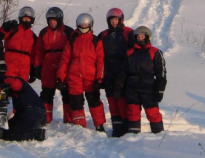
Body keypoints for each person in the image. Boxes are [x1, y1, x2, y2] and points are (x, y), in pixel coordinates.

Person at [57, 13, 106, 132]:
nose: (84, 27)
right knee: (76, 102)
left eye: (86, 25)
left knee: (94, 101)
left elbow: (100, 61)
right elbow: (65, 59)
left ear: (90, 25)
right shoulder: (72, 41)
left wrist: (99, 79)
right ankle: (80, 125)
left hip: (90, 77)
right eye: (82, 25)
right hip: (74, 77)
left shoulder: (96, 41)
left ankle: (99, 125)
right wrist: (61, 77)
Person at [33, 7, 73, 124]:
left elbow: (73, 48)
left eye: (54, 20)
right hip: (48, 64)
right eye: (50, 20)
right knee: (46, 92)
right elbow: (39, 50)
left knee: (66, 92)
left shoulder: (68, 31)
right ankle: (46, 118)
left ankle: (69, 118)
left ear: (59, 19)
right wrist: (37, 66)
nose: (52, 22)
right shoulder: (44, 32)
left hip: (63, 63)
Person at [123, 25, 167, 134]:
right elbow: (123, 71)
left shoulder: (155, 52)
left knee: (152, 112)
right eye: (138, 37)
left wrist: (160, 89)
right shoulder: (130, 53)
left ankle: (158, 134)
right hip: (132, 86)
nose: (140, 39)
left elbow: (161, 72)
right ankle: (133, 136)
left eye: (142, 37)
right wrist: (120, 85)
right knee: (132, 111)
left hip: (148, 86)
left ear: (147, 37)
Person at [98, 7, 134, 137]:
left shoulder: (128, 33)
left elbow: (135, 51)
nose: (114, 22)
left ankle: (126, 127)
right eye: (111, 20)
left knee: (122, 100)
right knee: (112, 100)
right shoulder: (103, 35)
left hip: (123, 71)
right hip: (108, 70)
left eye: (116, 20)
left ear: (121, 20)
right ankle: (117, 128)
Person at [1, 75, 47, 141]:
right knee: (9, 126)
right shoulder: (28, 91)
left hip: (29, 114)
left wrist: (2, 79)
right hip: (40, 114)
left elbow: (14, 83)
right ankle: (37, 131)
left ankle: (35, 134)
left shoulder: (21, 84)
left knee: (7, 133)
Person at [0, 6, 38, 81]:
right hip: (10, 62)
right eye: (24, 18)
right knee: (8, 83)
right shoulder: (14, 29)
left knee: (22, 86)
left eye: (28, 18)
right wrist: (5, 27)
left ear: (31, 20)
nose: (26, 20)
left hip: (24, 65)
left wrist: (33, 70)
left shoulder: (33, 36)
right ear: (20, 18)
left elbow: (33, 54)